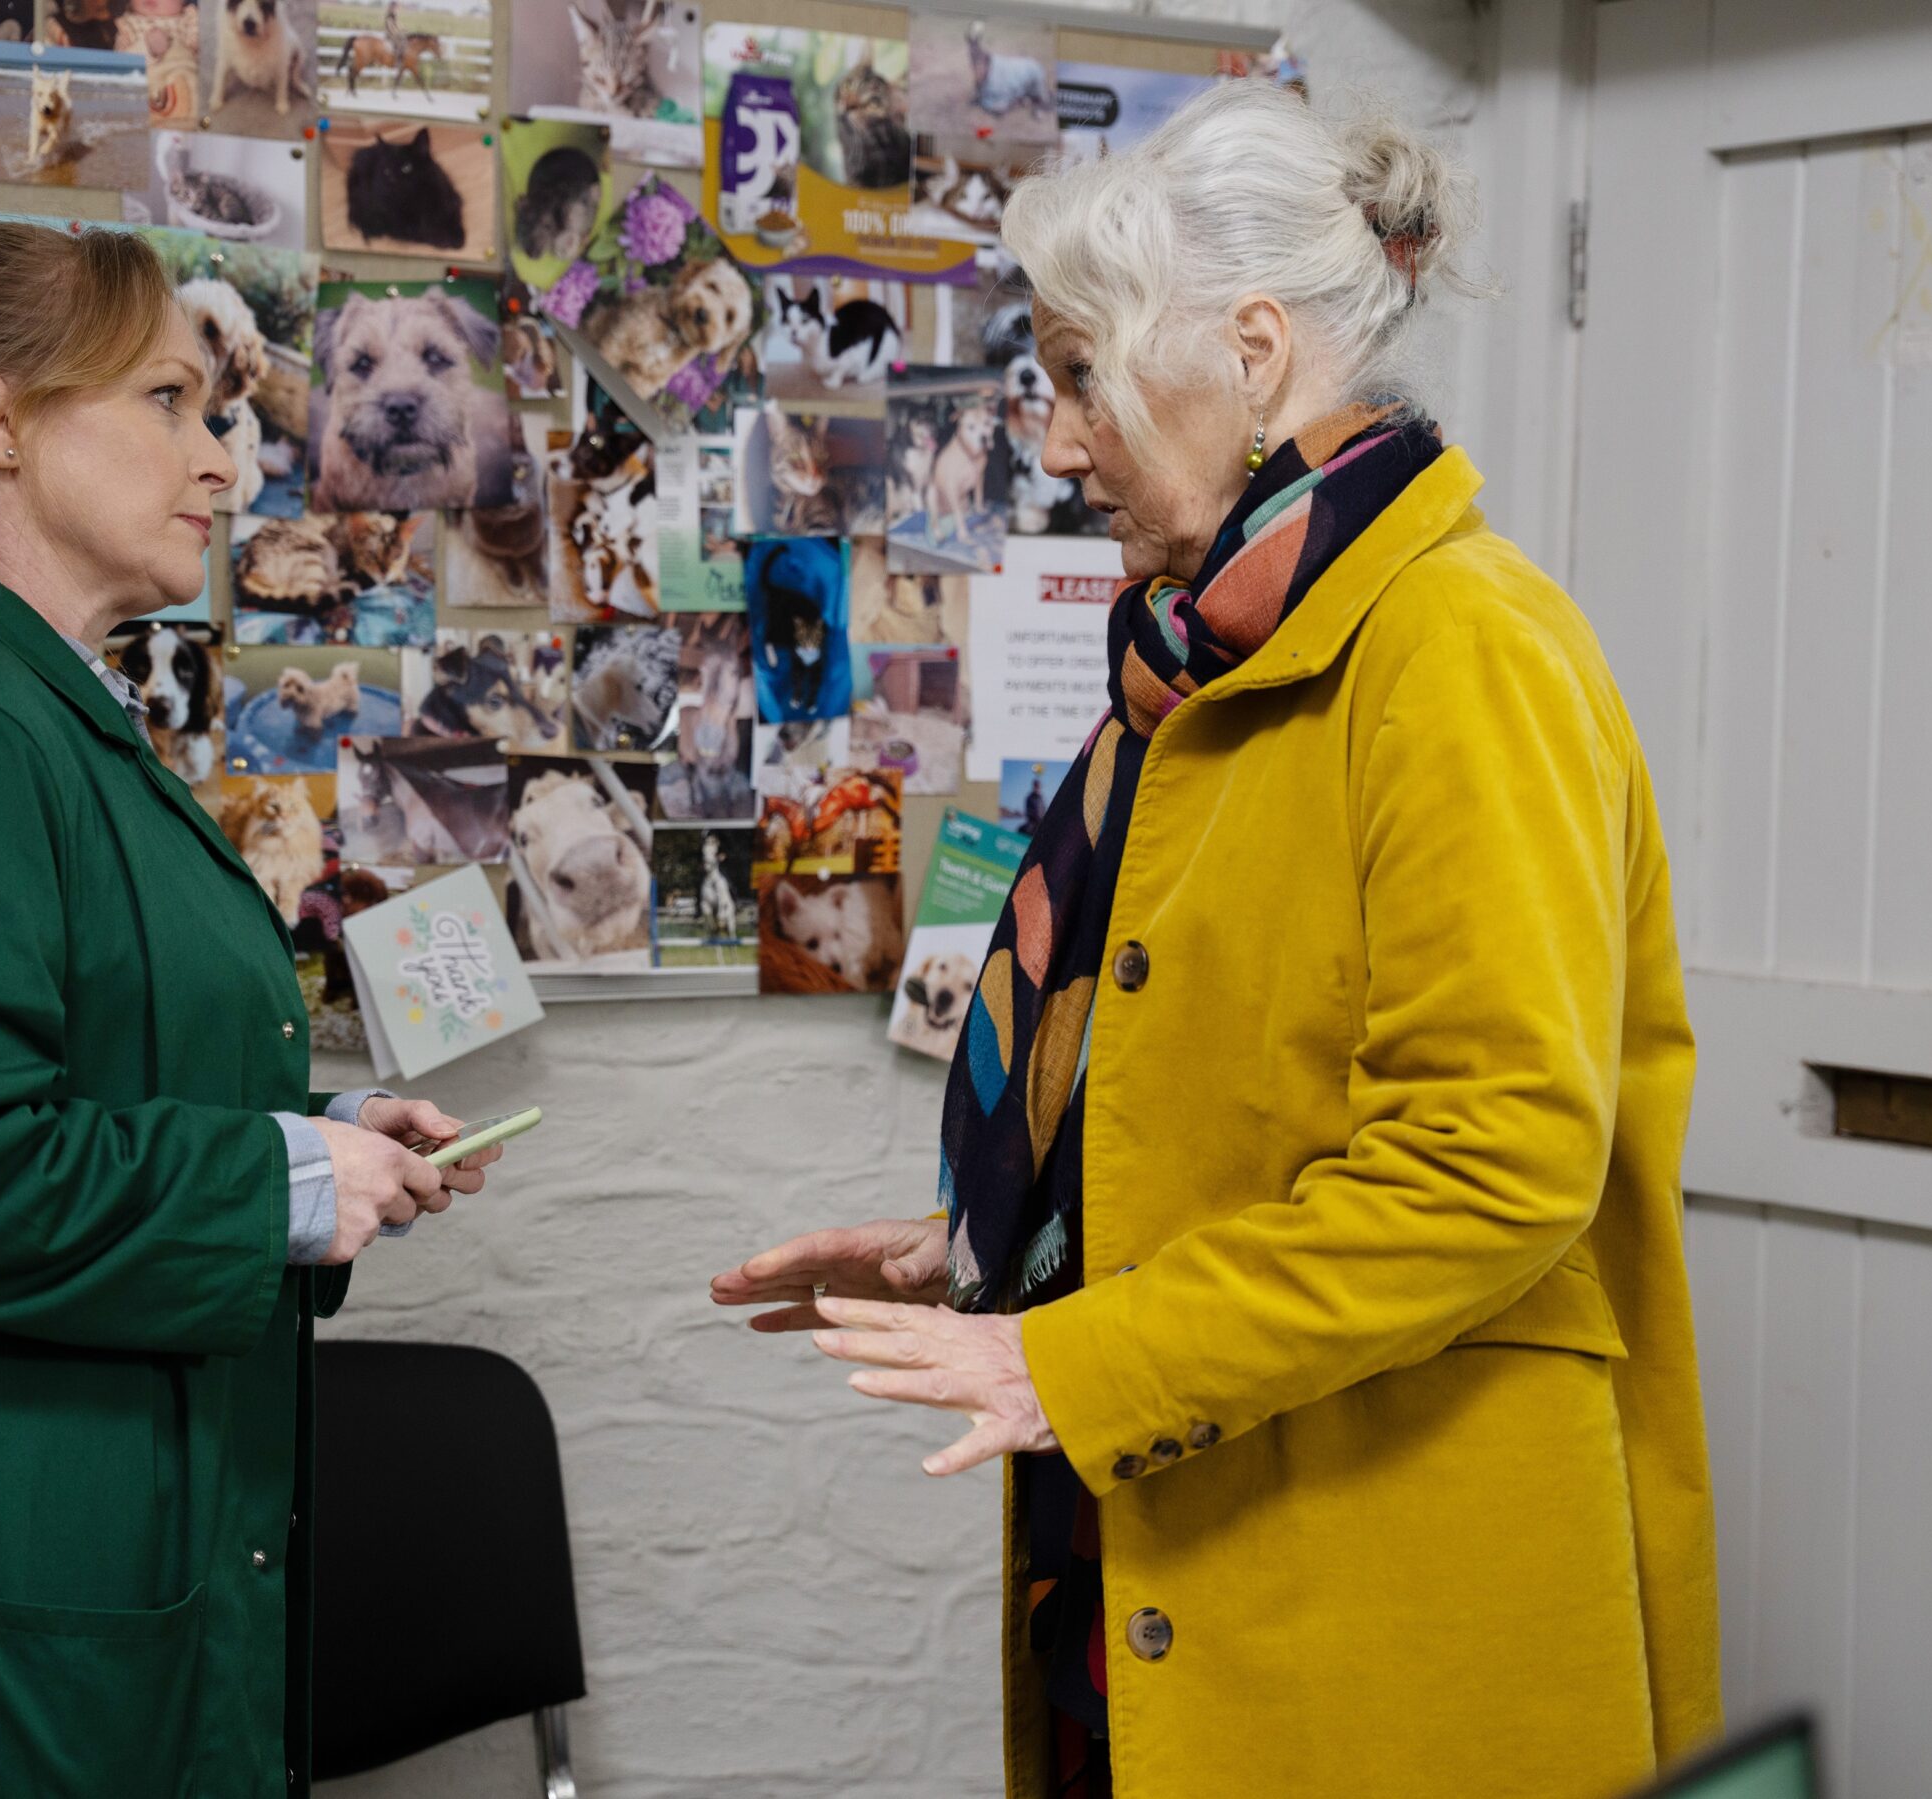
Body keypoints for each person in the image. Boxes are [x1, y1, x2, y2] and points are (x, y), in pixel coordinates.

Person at [713, 82, 1721, 1799]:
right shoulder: (1209, 663)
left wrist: (1066, 1354)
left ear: (1253, 352)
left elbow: (1491, 1164)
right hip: (1180, 1570)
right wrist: (1002, 1241)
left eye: (1080, 373)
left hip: (1379, 1606)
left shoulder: (1460, 651)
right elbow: (1233, 1097)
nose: (1055, 435)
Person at [0, 221, 501, 1797]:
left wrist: (315, 1144)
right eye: (171, 403)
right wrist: (272, 1187)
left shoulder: (36, 717)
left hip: (71, 1584)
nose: (225, 462)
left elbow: (70, 1082)